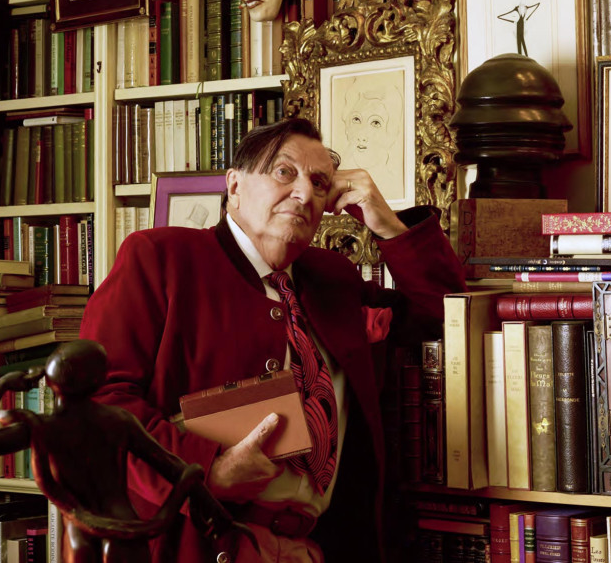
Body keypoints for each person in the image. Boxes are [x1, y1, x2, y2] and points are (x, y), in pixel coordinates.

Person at [79, 117, 466, 562]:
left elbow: (444, 315)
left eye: (319, 184)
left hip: (321, 546)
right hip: (197, 541)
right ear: (234, 185)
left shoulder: (334, 278)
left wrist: (387, 224)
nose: (304, 194)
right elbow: (96, 408)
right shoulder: (160, 258)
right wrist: (207, 469)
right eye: (285, 172)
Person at [0, 340, 252, 563]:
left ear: (50, 380)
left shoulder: (43, 428)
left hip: (81, 536)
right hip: (127, 532)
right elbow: (174, 467)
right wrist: (218, 515)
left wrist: (1, 385)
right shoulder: (118, 421)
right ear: (99, 378)